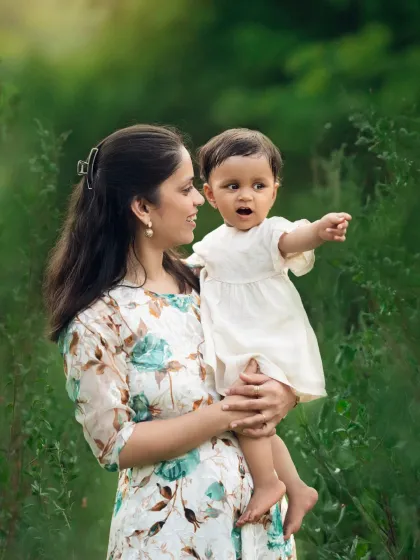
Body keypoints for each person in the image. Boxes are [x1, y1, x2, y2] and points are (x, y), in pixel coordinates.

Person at [44, 124, 300, 559]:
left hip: (257, 534)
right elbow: (115, 445)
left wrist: (283, 395)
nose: (201, 198)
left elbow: (269, 353)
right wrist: (223, 414)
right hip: (171, 537)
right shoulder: (98, 319)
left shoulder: (208, 282)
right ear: (143, 207)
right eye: (185, 189)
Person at [192, 128, 352, 537]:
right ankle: (296, 488)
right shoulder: (213, 242)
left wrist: (319, 230)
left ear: (274, 193)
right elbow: (188, 268)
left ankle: (269, 484)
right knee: (255, 422)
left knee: (249, 415)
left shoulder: (269, 233)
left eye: (258, 186)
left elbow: (292, 240)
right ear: (210, 195)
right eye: (233, 187)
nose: (246, 196)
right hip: (237, 341)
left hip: (268, 339)